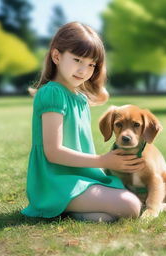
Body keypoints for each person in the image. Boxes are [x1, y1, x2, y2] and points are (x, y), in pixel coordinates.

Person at [21, 22, 145, 222]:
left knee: (133, 195)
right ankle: (61, 207)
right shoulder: (52, 93)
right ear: (56, 56)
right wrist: (103, 160)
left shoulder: (80, 99)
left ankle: (73, 212)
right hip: (55, 183)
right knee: (130, 206)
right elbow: (53, 152)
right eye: (77, 59)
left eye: (91, 64)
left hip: (81, 178)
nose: (83, 69)